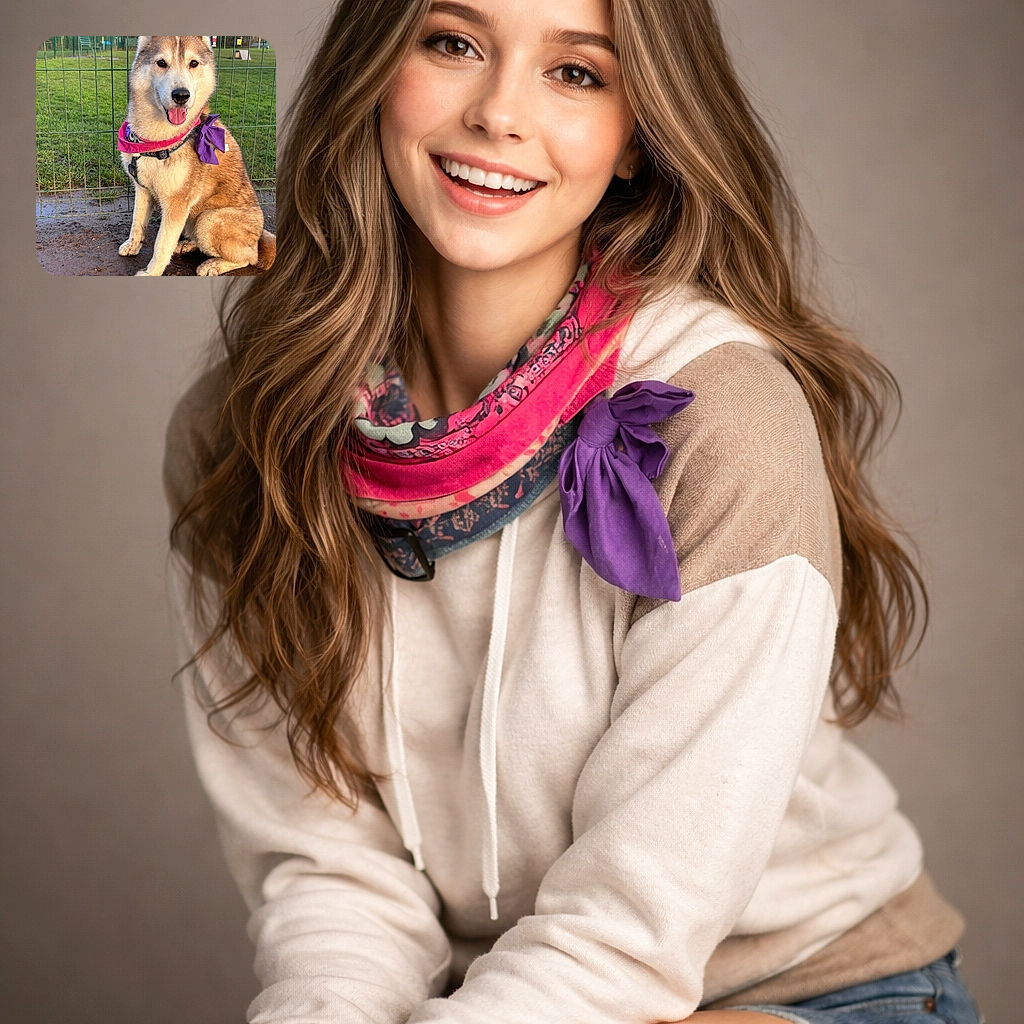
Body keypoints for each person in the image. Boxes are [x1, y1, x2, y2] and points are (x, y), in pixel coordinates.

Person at [165, 1, 983, 1021]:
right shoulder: (241, 430)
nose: (500, 113)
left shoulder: (721, 416)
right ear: (374, 71)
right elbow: (329, 870)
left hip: (807, 988)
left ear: (638, 137)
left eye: (577, 74)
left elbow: (630, 928)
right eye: (453, 43)